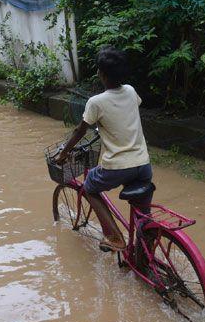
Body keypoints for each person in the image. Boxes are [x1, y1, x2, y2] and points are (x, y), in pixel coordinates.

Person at [55, 47, 152, 251]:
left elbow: (80, 131)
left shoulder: (96, 102)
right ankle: (145, 255)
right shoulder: (131, 90)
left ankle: (114, 237)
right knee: (143, 215)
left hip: (117, 167)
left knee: (89, 187)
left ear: (102, 74)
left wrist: (64, 153)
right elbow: (126, 112)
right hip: (143, 164)